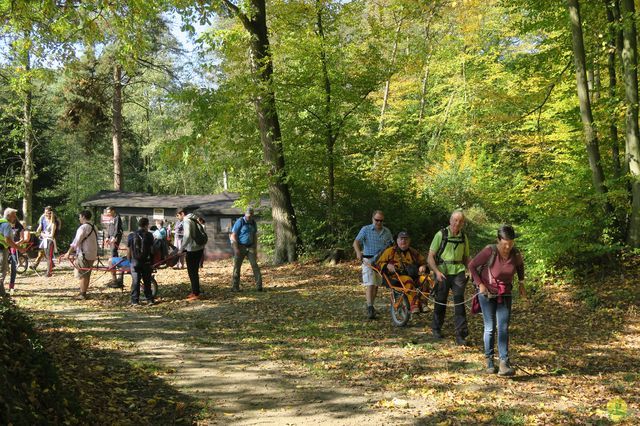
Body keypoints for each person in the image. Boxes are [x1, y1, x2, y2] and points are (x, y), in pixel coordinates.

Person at [468, 225, 526, 376]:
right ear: (498, 240)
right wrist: (479, 284)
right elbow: (472, 266)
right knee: (490, 327)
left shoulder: (515, 253)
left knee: (504, 327)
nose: (508, 246)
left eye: (511, 243)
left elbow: (520, 266)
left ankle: (504, 362)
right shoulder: (490, 250)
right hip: (486, 292)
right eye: (505, 243)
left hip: (505, 292)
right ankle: (489, 360)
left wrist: (521, 283)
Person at [427, 209, 470, 345]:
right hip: (442, 272)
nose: (457, 223)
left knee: (459, 303)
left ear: (463, 223)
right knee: (441, 300)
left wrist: (472, 271)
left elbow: (466, 257)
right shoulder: (440, 234)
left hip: (458, 272)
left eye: (460, 221)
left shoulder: (463, 237)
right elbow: (430, 257)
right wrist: (436, 272)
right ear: (450, 221)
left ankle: (461, 335)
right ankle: (436, 328)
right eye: (455, 220)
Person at [353, 210, 394, 319]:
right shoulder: (365, 229)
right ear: (372, 219)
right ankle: (370, 307)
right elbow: (356, 242)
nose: (379, 222)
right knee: (370, 283)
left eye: (381, 221)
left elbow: (392, 246)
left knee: (376, 285)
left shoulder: (387, 232)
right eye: (377, 220)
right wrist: (358, 252)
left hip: (381, 261)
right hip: (368, 260)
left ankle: (371, 305)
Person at [376, 231, 428, 314]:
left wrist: (423, 266)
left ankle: (422, 303)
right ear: (397, 241)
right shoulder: (390, 251)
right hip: (395, 277)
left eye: (406, 239)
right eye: (401, 239)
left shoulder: (413, 252)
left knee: (424, 279)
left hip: (413, 275)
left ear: (409, 241)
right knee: (408, 280)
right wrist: (387, 266)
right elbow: (378, 264)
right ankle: (413, 305)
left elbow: (423, 262)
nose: (403, 241)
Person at [64, 210, 98, 300]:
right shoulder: (94, 227)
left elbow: (76, 242)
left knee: (83, 274)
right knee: (87, 274)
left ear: (83, 217)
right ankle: (84, 292)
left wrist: (68, 252)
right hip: (93, 253)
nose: (79, 218)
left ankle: (82, 294)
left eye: (79, 217)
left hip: (84, 254)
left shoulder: (83, 228)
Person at [230, 207, 262, 291]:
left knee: (255, 265)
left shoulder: (253, 223)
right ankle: (235, 287)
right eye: (248, 216)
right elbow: (233, 235)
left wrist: (255, 248)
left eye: (250, 216)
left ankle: (259, 286)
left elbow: (255, 236)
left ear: (252, 215)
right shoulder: (240, 221)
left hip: (250, 247)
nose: (249, 217)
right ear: (245, 214)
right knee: (237, 266)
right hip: (240, 246)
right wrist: (236, 248)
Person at [176, 207, 205, 300]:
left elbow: (187, 236)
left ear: (182, 213)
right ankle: (195, 291)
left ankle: (195, 293)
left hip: (193, 250)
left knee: (192, 272)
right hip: (199, 248)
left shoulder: (187, 221)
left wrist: (181, 248)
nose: (177, 217)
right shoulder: (193, 219)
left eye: (177, 215)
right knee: (194, 271)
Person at [127, 217, 156, 306]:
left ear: (138, 225)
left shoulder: (131, 235)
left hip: (135, 262)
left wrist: (130, 261)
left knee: (135, 282)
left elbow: (129, 250)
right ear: (147, 225)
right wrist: (152, 261)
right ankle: (149, 300)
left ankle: (135, 301)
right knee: (147, 281)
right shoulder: (150, 235)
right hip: (146, 262)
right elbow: (152, 250)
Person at [0, 208, 25, 297]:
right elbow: (7, 240)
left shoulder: (0, 222)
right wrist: (19, 248)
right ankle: (2, 294)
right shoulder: (6, 225)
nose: (15, 217)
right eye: (14, 215)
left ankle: (2, 293)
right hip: (2, 249)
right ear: (9, 215)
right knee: (2, 271)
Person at [35, 206, 59, 277]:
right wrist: (38, 232)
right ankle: (49, 269)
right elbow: (40, 226)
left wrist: (43, 234)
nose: (45, 214)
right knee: (45, 254)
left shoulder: (53, 223)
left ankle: (49, 272)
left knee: (49, 256)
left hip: (50, 241)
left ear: (50, 213)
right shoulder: (43, 218)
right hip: (44, 240)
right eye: (45, 212)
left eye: (47, 213)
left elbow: (51, 235)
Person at [105, 207, 124, 288]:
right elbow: (109, 228)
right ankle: (116, 269)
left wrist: (114, 237)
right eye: (107, 212)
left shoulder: (117, 217)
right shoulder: (111, 218)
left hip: (115, 237)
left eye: (109, 212)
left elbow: (117, 229)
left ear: (113, 211)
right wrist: (107, 237)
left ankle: (115, 267)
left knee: (113, 251)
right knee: (113, 253)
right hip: (111, 237)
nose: (108, 213)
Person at [8, 213, 26, 295]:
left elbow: (22, 239)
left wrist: (16, 244)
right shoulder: (5, 225)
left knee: (13, 267)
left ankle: (11, 286)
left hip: (15, 248)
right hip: (5, 248)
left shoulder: (20, 227)